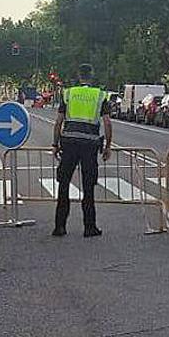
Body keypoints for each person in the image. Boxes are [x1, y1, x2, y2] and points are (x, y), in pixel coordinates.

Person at [52, 63, 112, 237]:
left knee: (63, 185)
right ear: (91, 76)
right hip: (90, 146)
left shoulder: (69, 94)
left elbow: (58, 122)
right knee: (88, 187)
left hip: (69, 143)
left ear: (79, 76)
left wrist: (55, 145)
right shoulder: (100, 95)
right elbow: (107, 123)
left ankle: (60, 226)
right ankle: (89, 227)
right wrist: (108, 146)